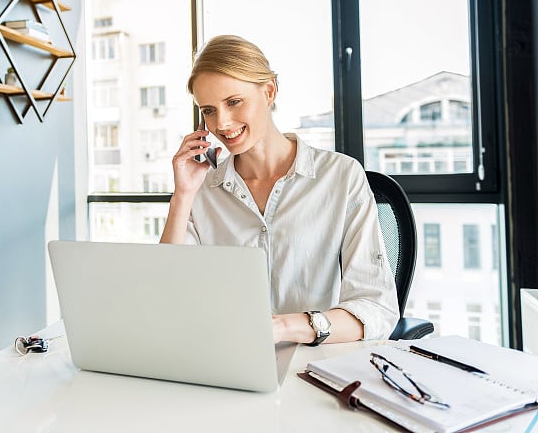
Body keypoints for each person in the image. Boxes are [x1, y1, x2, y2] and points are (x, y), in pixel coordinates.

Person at [160, 34, 399, 345]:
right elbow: (166, 292)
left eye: (234, 102)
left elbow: (376, 309)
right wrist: (182, 196)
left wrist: (284, 328)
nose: (222, 123)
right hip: (225, 359)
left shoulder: (340, 177)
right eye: (209, 110)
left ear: (269, 91)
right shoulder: (203, 189)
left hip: (312, 364)